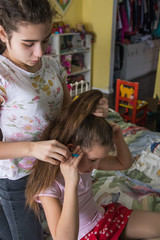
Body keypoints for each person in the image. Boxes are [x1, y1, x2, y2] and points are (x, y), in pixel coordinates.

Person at [0, 1, 108, 240]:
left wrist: (90, 108)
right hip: (19, 178)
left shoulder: (51, 66)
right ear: (3, 33)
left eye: (45, 40)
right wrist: (33, 148)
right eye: (28, 43)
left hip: (53, 171)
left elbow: (68, 115)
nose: (40, 52)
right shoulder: (3, 76)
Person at [26, 89, 160, 240]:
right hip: (87, 236)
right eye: (93, 160)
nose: (96, 165)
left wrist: (118, 138)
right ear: (72, 150)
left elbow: (124, 163)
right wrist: (71, 184)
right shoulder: (49, 185)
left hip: (105, 219)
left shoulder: (86, 163)